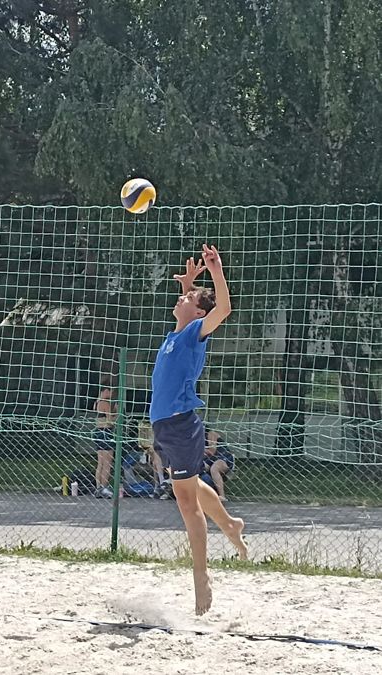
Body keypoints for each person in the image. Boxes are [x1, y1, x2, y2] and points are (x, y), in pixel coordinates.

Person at [149, 245, 248, 615]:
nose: (182, 297)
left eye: (188, 298)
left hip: (181, 425)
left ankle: (201, 577)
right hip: (165, 427)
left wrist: (215, 272)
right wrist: (189, 286)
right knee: (190, 487)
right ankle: (230, 524)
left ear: (199, 314)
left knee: (186, 503)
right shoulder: (176, 335)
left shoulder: (194, 333)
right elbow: (191, 309)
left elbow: (223, 309)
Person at [93, 377, 117, 498]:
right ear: (106, 390)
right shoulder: (105, 403)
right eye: (111, 391)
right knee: (107, 462)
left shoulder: (96, 402)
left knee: (100, 462)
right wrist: (116, 413)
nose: (112, 394)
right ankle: (104, 486)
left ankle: (99, 487)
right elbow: (110, 421)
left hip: (98, 432)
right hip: (106, 432)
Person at [201, 427, 235, 502]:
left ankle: (222, 496)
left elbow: (212, 452)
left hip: (223, 457)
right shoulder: (193, 438)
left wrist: (198, 449)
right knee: (198, 468)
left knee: (214, 469)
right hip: (209, 460)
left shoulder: (211, 434)